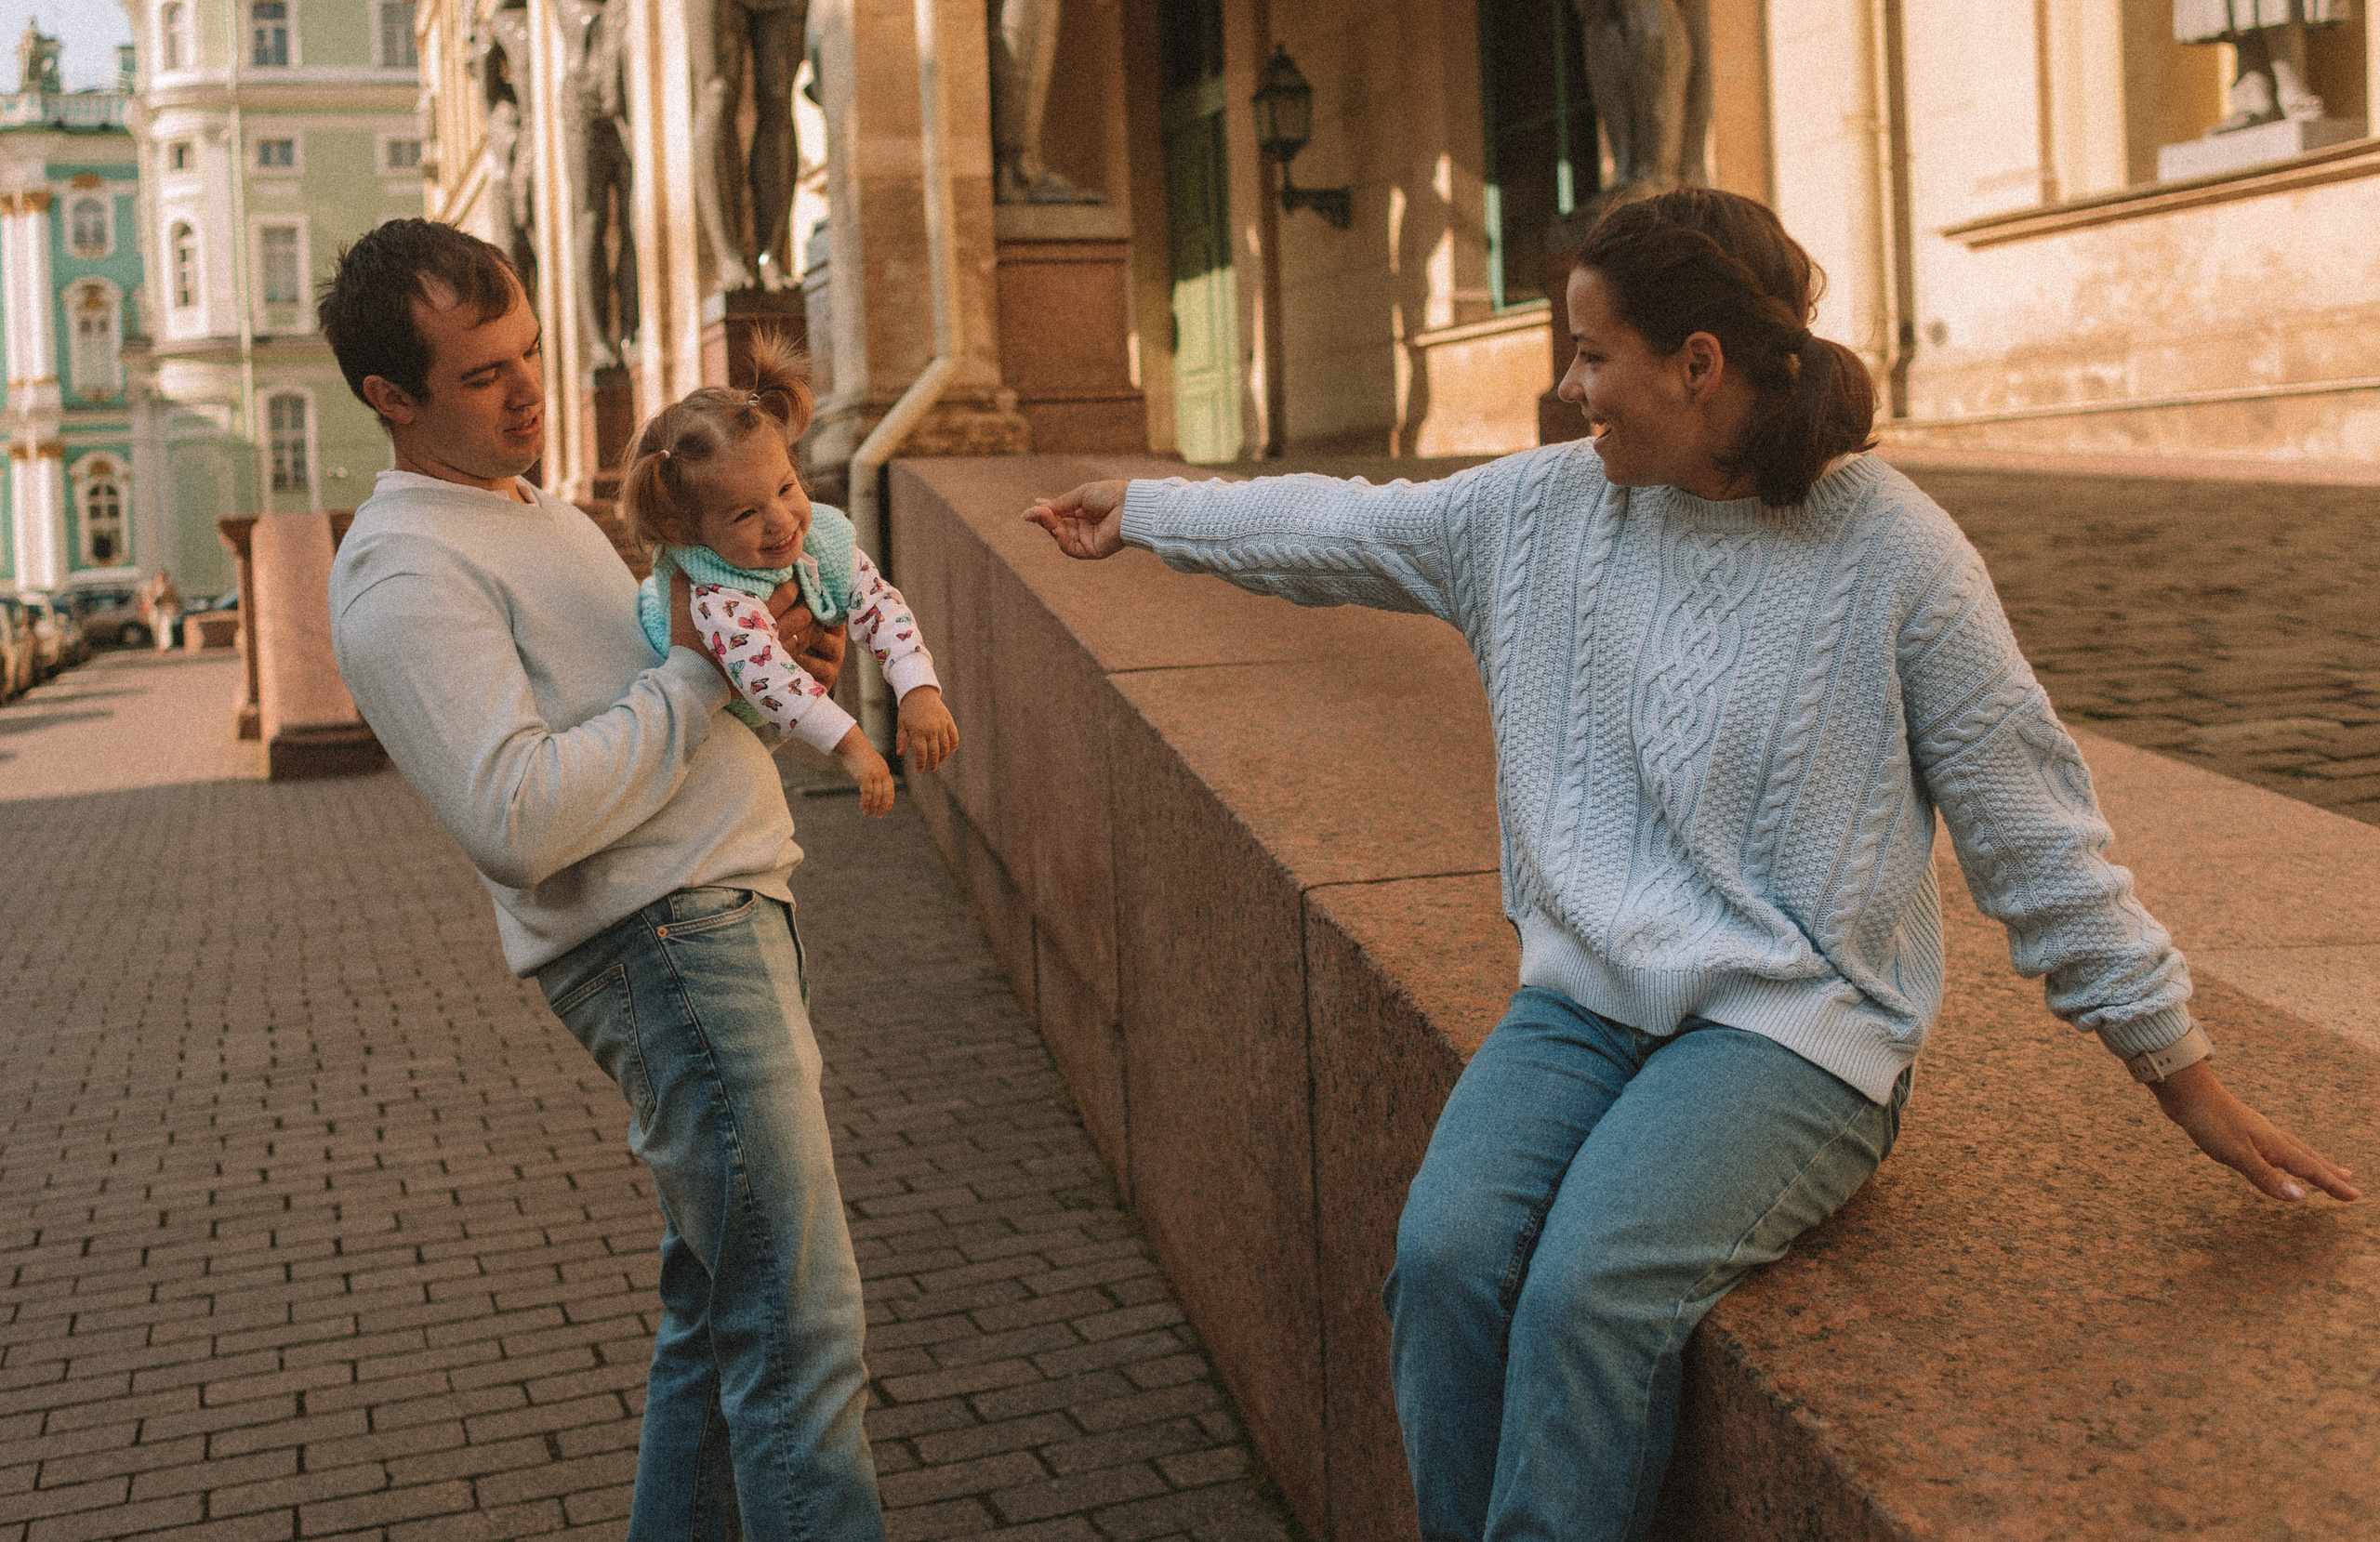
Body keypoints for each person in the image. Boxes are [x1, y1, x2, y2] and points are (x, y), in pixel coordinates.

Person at [1024, 188, 2358, 1542]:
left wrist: (2177, 1067)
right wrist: (1147, 509)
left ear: (1698, 364)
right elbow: (1340, 526)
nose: (1570, 387)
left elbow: (2031, 826)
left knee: (1588, 1291)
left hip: (1796, 1029)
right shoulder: (1538, 513)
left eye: (1593, 352)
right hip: (1583, 1003)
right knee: (1444, 1260)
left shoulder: (1893, 551)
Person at [317, 218, 885, 1542]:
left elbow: (656, 713)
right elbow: (515, 818)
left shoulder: (530, 510)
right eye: (482, 374)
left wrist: (770, 678)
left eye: (528, 350)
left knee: (721, 1321)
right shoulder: (403, 567)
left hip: (717, 920)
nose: (529, 390)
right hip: (669, 947)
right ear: (389, 397)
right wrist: (697, 675)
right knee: (799, 1339)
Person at [622, 332, 959, 818]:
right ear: (688, 531)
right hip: (688, 748)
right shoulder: (715, 594)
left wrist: (918, 689)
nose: (780, 521)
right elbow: (770, 679)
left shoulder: (820, 541)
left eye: (785, 488)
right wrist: (851, 744)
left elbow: (879, 606)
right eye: (745, 514)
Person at [142, 568, 181, 651]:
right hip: (154, 608)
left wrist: (176, 606)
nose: (161, 578)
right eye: (159, 576)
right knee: (155, 627)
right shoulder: (151, 586)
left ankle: (165, 646)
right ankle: (159, 645)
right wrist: (147, 605)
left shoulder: (169, 586)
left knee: (165, 626)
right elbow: (146, 597)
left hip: (166, 607)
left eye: (163, 576)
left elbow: (174, 597)